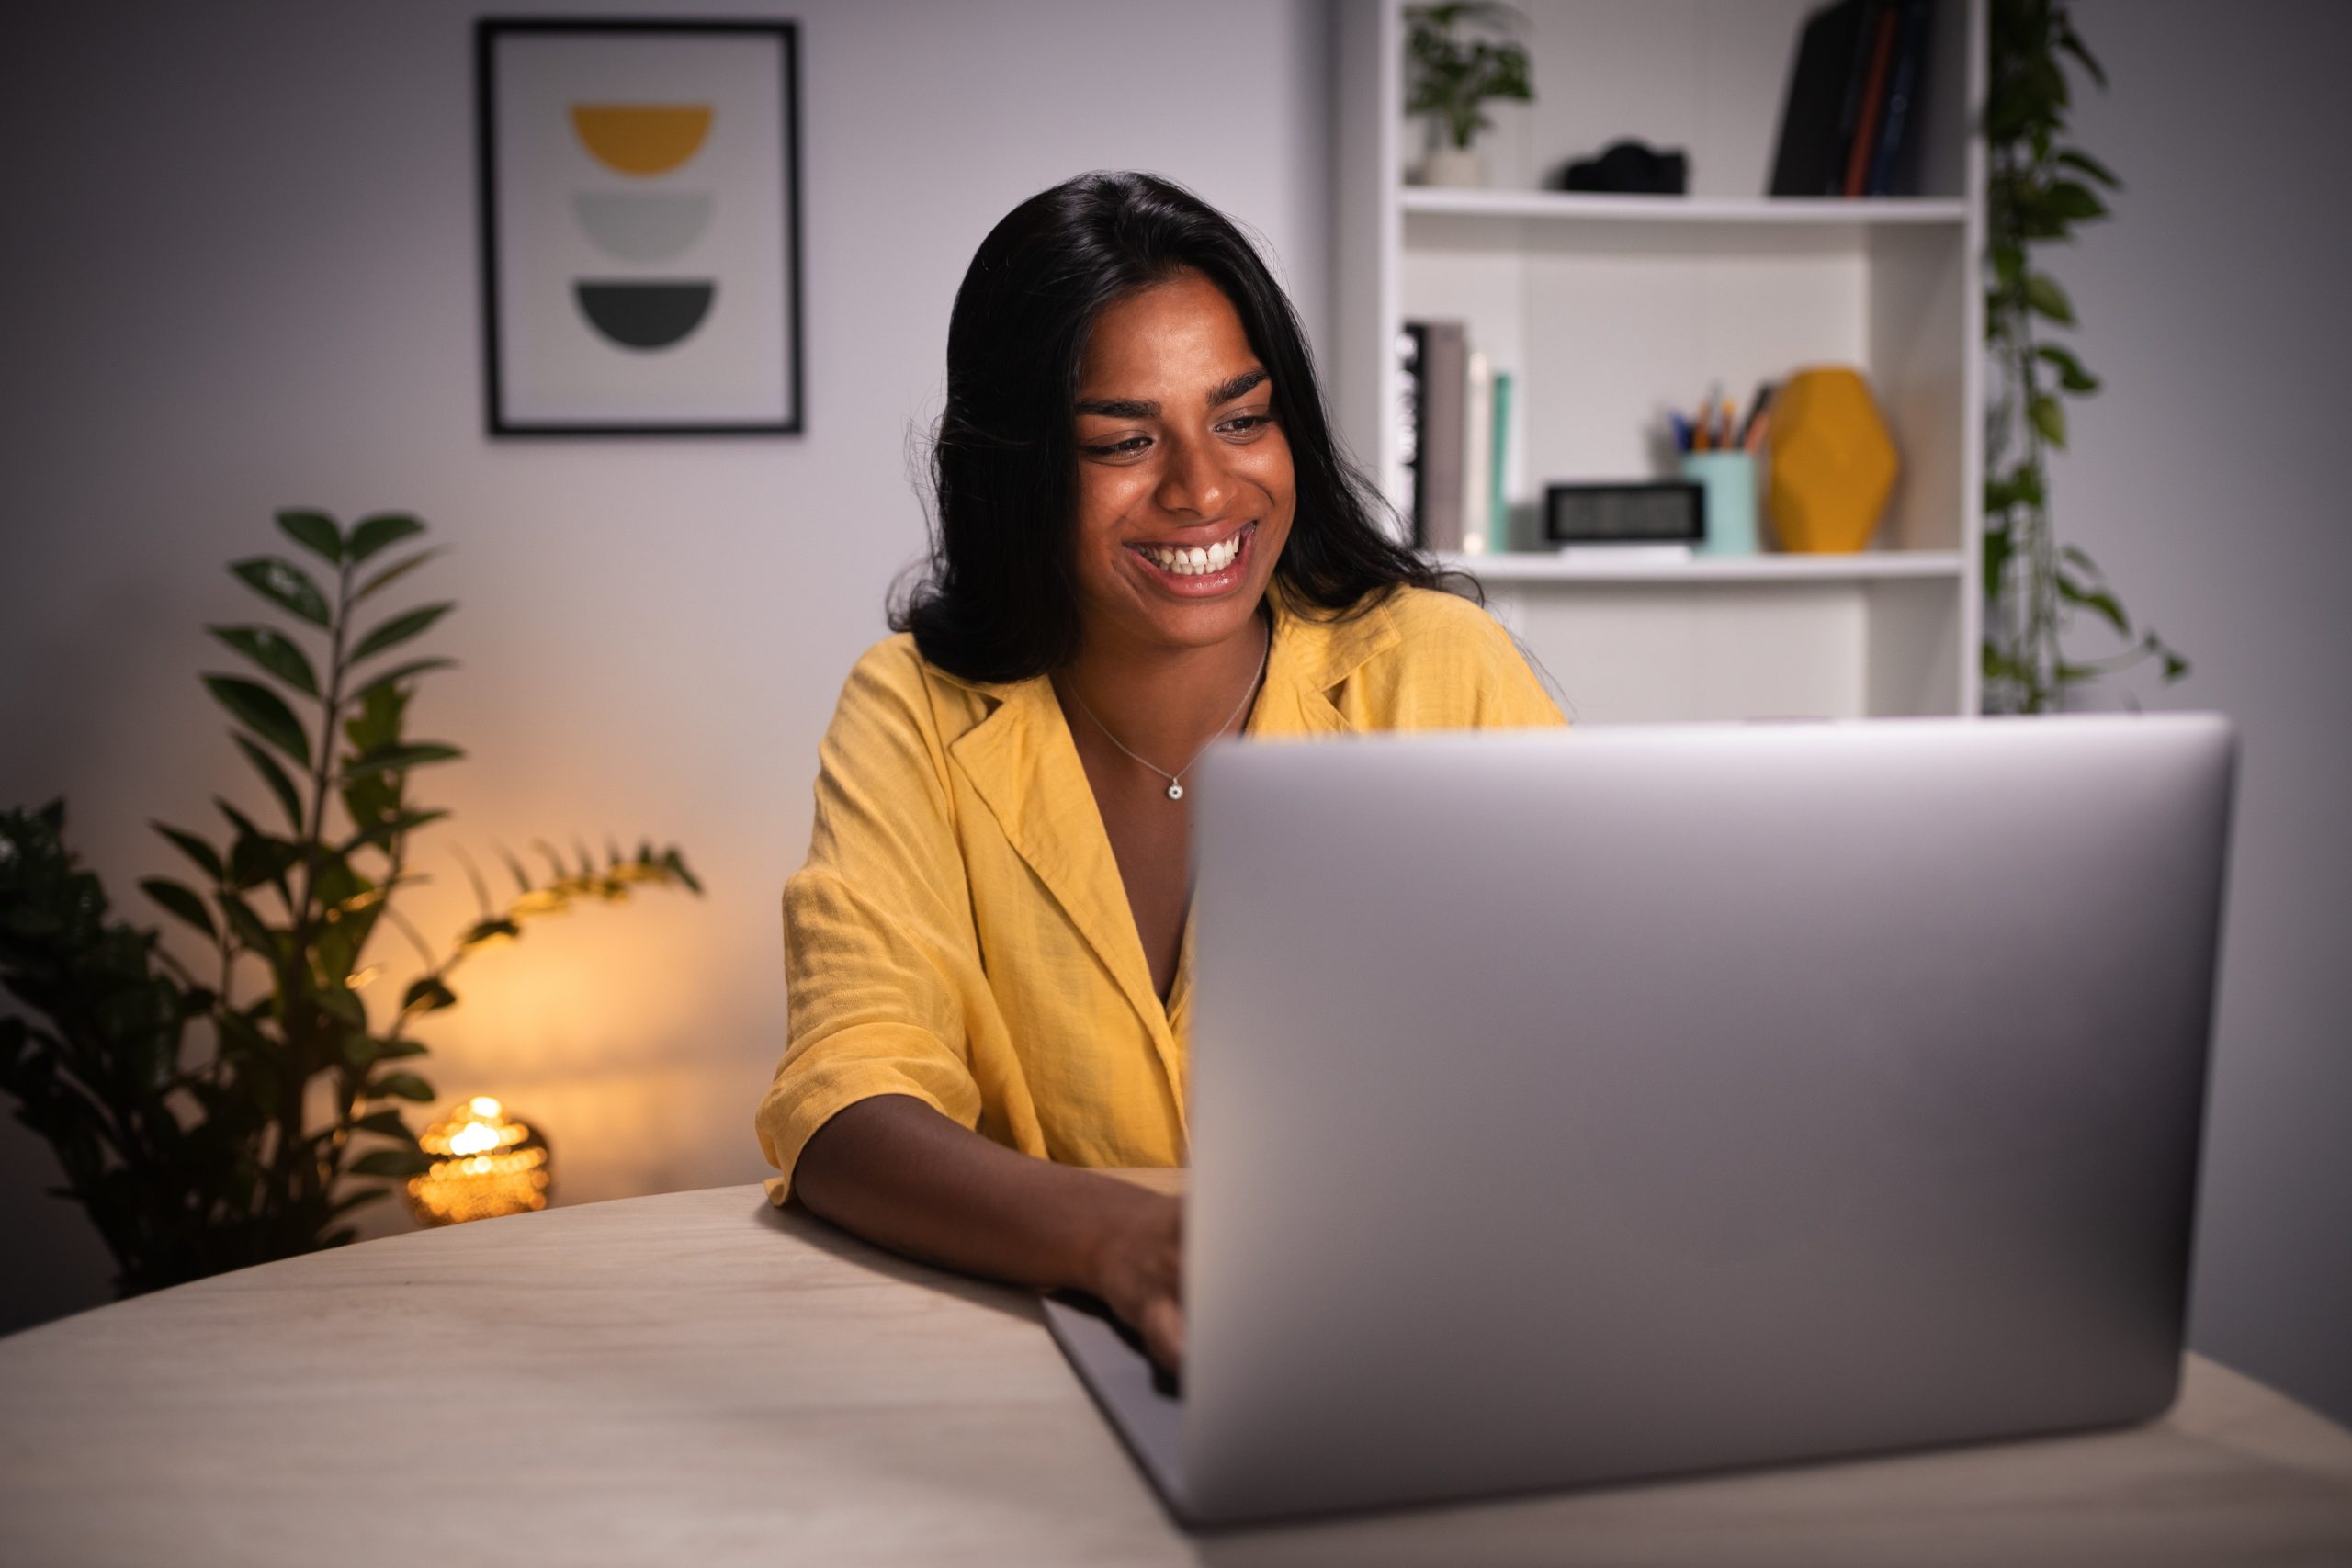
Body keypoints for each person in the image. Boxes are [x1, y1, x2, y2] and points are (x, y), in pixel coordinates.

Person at [756, 171, 1565, 1372]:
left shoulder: (1442, 675)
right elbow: (846, 1102)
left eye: (1242, 418)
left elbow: (1588, 1061)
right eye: (1124, 443)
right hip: (1037, 1357)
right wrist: (1125, 1246)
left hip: (1426, 1336)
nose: (1202, 488)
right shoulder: (915, 709)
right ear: (1015, 470)